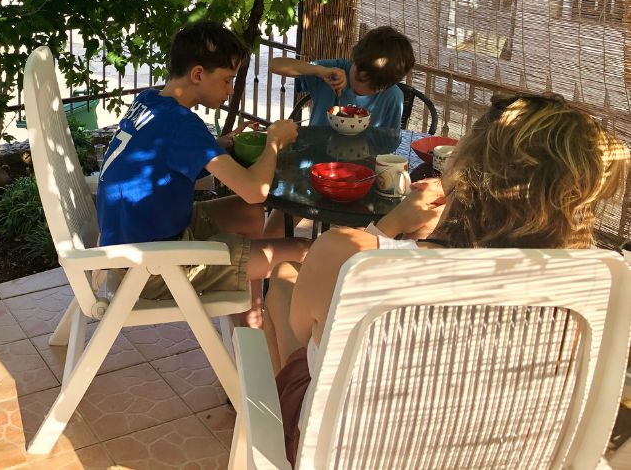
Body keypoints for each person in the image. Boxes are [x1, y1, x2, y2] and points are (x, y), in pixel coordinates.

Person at [262, 92, 629, 463]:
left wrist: (389, 230)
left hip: (354, 451)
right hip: (496, 454)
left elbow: (304, 330)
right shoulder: (595, 284)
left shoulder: (346, 254)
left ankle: (275, 433)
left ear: (461, 170)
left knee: (282, 283)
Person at [96, 20, 310, 323]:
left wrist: (220, 144)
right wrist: (274, 141)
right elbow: (254, 191)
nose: (230, 90)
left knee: (251, 215)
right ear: (198, 74)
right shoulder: (184, 125)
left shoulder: (150, 101)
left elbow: (167, 155)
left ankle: (249, 319)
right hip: (153, 267)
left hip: (135, 241)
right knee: (303, 249)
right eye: (227, 80)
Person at [269, 26, 415, 128]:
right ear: (356, 60)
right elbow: (274, 65)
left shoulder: (393, 97)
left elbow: (388, 144)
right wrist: (318, 71)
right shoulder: (330, 72)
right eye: (359, 77)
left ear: (384, 87)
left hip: (362, 167)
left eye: (373, 87)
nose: (360, 89)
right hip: (314, 160)